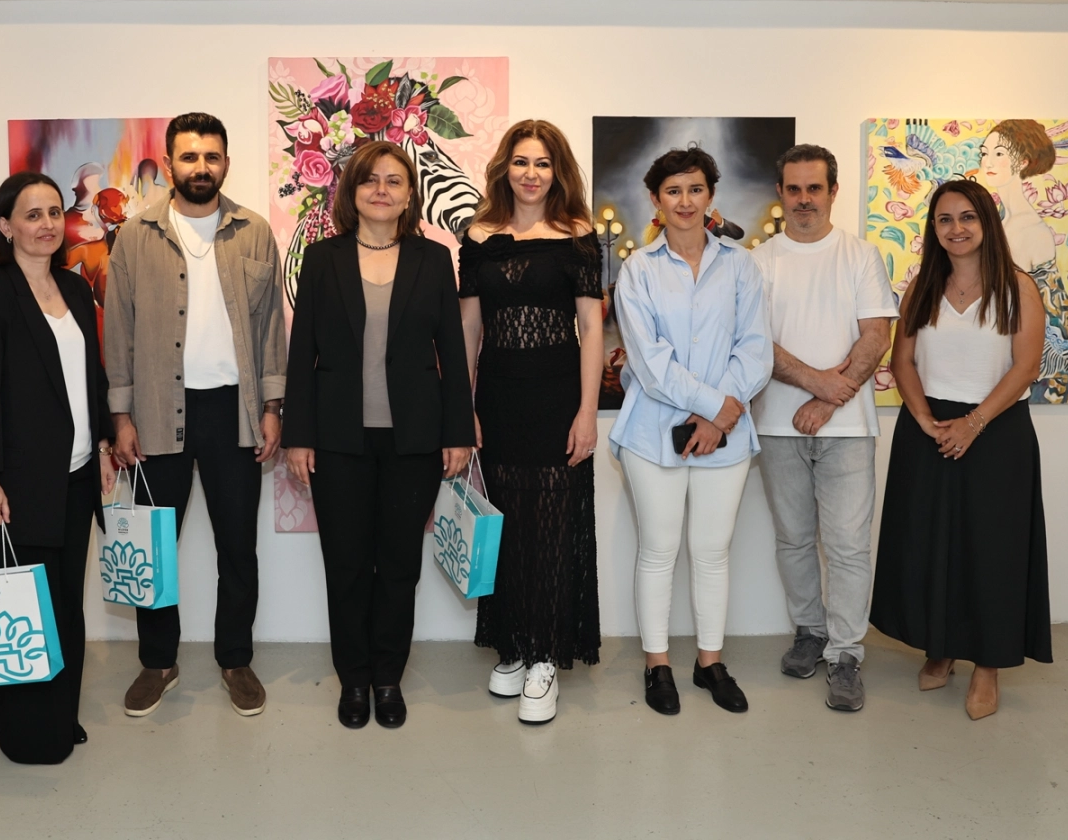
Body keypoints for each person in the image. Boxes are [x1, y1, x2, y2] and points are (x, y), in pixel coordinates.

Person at [284, 140, 477, 730]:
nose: (381, 190)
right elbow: (301, 353)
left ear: (409, 194)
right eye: (370, 179)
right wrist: (297, 435)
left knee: (398, 565)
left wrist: (458, 431)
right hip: (337, 438)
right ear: (352, 191)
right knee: (345, 566)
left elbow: (452, 352)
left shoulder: (433, 259)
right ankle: (353, 679)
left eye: (394, 180)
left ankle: (388, 676)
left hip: (412, 439)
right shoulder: (322, 259)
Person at [103, 112, 287, 720]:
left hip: (235, 412)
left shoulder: (254, 232)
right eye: (189, 156)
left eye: (211, 156)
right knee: (154, 547)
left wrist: (271, 406)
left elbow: (270, 328)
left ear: (226, 162)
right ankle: (158, 662)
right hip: (158, 412)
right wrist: (121, 417)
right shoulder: (135, 236)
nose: (201, 166)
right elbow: (118, 330)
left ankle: (235, 659)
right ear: (169, 163)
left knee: (238, 546)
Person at [0, 172, 118, 764]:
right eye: (31, 214)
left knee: (65, 605)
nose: (47, 224)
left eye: (53, 212)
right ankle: (25, 735)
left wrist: (102, 447)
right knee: (19, 612)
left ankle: (61, 715)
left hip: (74, 478)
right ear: (5, 226)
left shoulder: (72, 287)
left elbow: (91, 378)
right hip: (13, 486)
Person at [870, 179, 1052, 720]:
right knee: (929, 544)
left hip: (996, 430)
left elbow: (1026, 367)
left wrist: (973, 423)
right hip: (928, 431)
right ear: (934, 229)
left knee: (992, 552)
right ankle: (940, 647)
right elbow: (902, 361)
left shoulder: (1018, 287)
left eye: (967, 217)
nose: (957, 228)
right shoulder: (922, 286)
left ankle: (988, 665)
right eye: (945, 219)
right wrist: (923, 418)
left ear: (987, 223)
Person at [608, 146, 771, 716]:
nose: (685, 201)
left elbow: (756, 347)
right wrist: (715, 406)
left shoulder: (741, 266)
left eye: (695, 189)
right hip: (652, 433)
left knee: (711, 551)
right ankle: (657, 665)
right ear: (656, 200)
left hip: (727, 433)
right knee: (657, 551)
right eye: (673, 191)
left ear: (710, 196)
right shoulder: (639, 270)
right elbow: (650, 362)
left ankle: (710, 663)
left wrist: (720, 415)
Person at [458, 120, 603, 725]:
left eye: (543, 163)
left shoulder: (579, 235)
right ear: (504, 169)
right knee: (506, 525)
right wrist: (462, 407)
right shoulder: (476, 235)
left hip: (557, 400)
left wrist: (587, 412)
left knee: (550, 527)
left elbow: (591, 327)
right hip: (497, 399)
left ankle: (545, 656)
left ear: (557, 171)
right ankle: (513, 646)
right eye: (521, 161)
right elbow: (469, 327)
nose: (531, 173)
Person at [751, 145, 897, 712]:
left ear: (833, 191)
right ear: (780, 194)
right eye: (794, 189)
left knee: (848, 546)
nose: (804, 199)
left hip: (849, 429)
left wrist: (828, 401)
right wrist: (820, 384)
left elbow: (876, 335)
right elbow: (756, 343)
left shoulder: (860, 256)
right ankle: (809, 632)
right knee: (793, 540)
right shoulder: (759, 261)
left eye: (814, 188)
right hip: (776, 425)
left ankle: (846, 655)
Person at [977, 119, 1068, 403]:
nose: (988, 161)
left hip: (1032, 361)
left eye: (999, 153)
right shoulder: (1000, 221)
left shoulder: (1028, 229)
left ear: (1023, 161)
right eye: (984, 153)